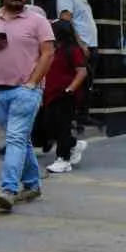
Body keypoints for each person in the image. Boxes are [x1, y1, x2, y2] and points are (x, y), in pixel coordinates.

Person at [0, 0, 55, 212]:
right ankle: (32, 185)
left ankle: (8, 190)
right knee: (20, 139)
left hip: (25, 90)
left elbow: (48, 53)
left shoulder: (38, 20)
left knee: (15, 139)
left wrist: (32, 83)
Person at [38, 19, 89, 174]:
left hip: (66, 95)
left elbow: (82, 72)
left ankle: (63, 159)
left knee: (62, 127)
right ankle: (73, 144)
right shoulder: (52, 50)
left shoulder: (73, 50)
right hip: (50, 94)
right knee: (49, 126)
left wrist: (70, 90)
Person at [56, 0, 99, 129]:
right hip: (80, 46)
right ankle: (72, 117)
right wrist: (80, 44)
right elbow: (66, 20)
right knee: (79, 81)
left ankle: (83, 116)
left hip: (90, 45)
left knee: (87, 83)